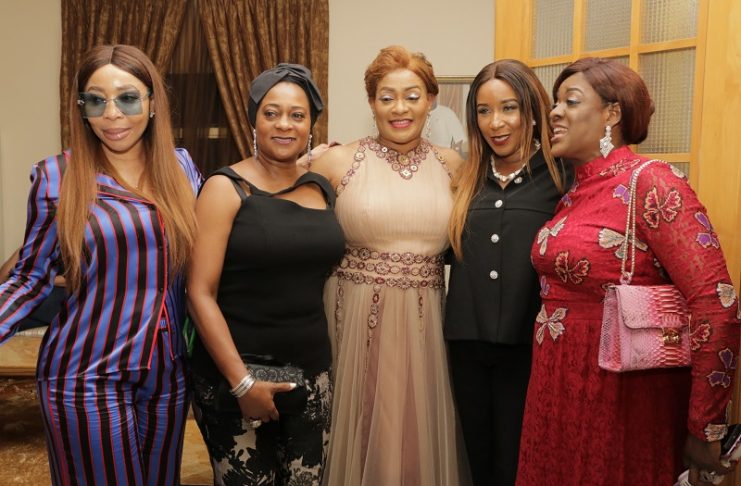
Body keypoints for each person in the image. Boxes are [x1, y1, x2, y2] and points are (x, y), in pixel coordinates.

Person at [516, 57, 741, 486]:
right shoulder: (574, 193)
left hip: (621, 394)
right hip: (556, 387)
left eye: (570, 101)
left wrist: (705, 425)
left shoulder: (652, 182)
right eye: (555, 103)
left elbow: (717, 305)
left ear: (612, 113)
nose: (554, 113)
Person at [0, 44, 201, 485]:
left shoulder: (182, 169)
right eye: (96, 100)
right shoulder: (55, 176)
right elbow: (29, 277)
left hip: (167, 375)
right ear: (82, 109)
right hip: (86, 374)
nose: (112, 114)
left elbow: (218, 243)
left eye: (128, 98)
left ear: (152, 103)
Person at [311, 45, 466, 486]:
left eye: (412, 96)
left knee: (417, 436)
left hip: (426, 325)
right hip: (353, 319)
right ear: (371, 103)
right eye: (387, 97)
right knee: (359, 431)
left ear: (431, 100)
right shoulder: (336, 162)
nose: (400, 108)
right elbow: (294, 233)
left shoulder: (453, 166)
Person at [187, 63, 344, 485]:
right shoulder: (225, 188)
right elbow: (199, 293)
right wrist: (242, 383)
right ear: (253, 120)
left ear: (311, 124)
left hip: (312, 373)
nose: (284, 124)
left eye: (297, 115)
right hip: (236, 375)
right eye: (271, 113)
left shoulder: (321, 187)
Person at [445, 60, 569, 486]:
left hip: (530, 345)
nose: (495, 122)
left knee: (518, 465)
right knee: (478, 462)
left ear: (532, 111)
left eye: (508, 108)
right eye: (483, 111)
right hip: (466, 343)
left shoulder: (562, 176)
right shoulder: (464, 179)